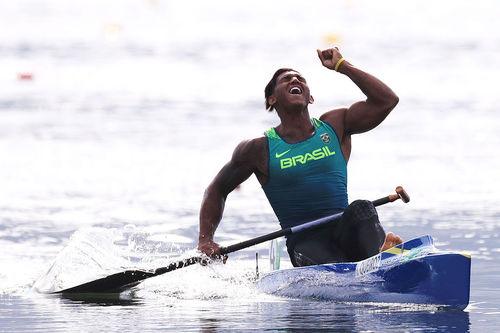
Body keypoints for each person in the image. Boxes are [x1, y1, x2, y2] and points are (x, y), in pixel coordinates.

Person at [197, 46, 403, 267]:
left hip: (345, 229)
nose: (295, 80)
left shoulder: (336, 125)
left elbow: (387, 101)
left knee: (362, 207)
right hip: (305, 240)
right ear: (272, 99)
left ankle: (382, 258)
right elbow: (217, 190)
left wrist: (343, 66)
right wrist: (205, 240)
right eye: (286, 79)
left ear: (310, 98)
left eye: (300, 79)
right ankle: (375, 259)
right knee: (326, 260)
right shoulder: (258, 149)